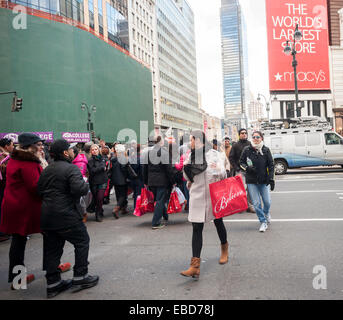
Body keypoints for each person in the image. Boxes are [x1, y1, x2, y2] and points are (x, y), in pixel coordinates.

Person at [37, 139, 99, 298]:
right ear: (65, 153)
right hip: (66, 215)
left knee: (52, 249)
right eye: (71, 149)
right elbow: (79, 189)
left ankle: (53, 283)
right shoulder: (71, 168)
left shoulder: (46, 169)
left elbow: (39, 190)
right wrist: (85, 184)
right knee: (82, 241)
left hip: (47, 216)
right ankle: (80, 276)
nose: (73, 152)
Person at [181, 130, 229, 279]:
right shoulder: (191, 155)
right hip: (197, 194)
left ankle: (224, 249)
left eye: (192, 140)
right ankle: (195, 266)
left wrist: (215, 171)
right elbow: (185, 175)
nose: (190, 143)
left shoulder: (214, 154)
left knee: (218, 221)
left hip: (213, 194)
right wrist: (186, 170)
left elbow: (222, 173)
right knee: (196, 227)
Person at [239, 131, 275, 233]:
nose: (255, 138)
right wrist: (247, 168)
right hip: (251, 181)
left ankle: (266, 212)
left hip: (264, 181)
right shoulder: (247, 150)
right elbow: (241, 162)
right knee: (256, 203)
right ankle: (263, 221)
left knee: (267, 202)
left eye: (257, 137)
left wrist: (271, 178)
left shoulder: (266, 150)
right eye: (254, 137)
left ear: (261, 138)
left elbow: (271, 165)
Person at [142, 135, 174, 229]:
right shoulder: (164, 153)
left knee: (159, 199)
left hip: (152, 181)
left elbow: (144, 168)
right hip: (162, 180)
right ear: (161, 142)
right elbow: (168, 169)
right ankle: (155, 223)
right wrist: (172, 181)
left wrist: (145, 181)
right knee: (160, 201)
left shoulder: (148, 153)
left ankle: (165, 215)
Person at [229, 128, 255, 213]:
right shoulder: (235, 145)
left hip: (249, 170)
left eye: (245, 133)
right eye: (242, 133)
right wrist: (236, 168)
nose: (244, 134)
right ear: (239, 135)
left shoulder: (250, 144)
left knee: (251, 189)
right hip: (240, 171)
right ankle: (241, 206)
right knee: (241, 189)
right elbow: (231, 157)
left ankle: (250, 206)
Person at [87, 144, 108, 222]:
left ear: (98, 150)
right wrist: (101, 168)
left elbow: (103, 168)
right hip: (94, 182)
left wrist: (100, 168)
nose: (94, 151)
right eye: (93, 150)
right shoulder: (90, 160)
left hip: (103, 180)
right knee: (96, 199)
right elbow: (92, 171)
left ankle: (98, 214)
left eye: (96, 149)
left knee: (100, 198)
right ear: (91, 151)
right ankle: (100, 209)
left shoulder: (102, 158)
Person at [0, 138, 14, 242]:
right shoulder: (3, 156)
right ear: (6, 146)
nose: (13, 147)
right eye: (12, 145)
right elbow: (5, 170)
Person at [110, 144, 129, 219]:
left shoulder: (113, 159)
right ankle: (117, 208)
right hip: (122, 179)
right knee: (123, 195)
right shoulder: (123, 159)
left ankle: (123, 209)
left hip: (115, 179)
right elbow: (124, 170)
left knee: (118, 194)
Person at [72, 145, 89, 223]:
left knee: (80, 200)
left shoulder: (80, 161)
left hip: (80, 180)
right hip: (75, 181)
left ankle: (84, 214)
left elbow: (80, 174)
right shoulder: (74, 160)